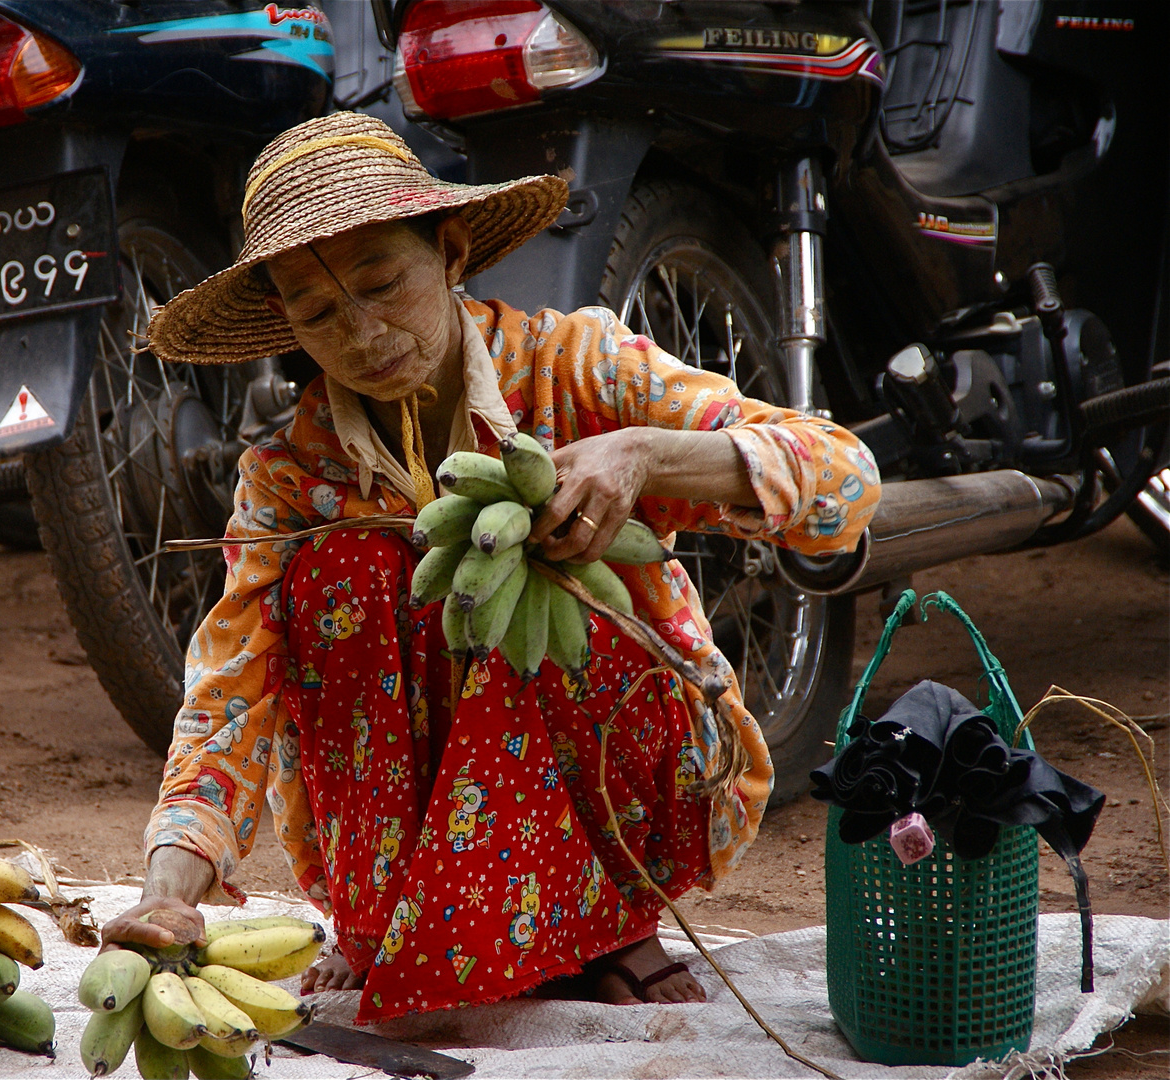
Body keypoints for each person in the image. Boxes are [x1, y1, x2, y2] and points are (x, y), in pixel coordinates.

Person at [100, 113, 879, 1022]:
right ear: (285, 325)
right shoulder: (288, 476)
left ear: (452, 249)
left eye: (383, 283)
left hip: (623, 796)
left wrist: (638, 457)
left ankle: (614, 918)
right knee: (345, 571)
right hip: (400, 842)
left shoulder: (572, 365)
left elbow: (841, 482)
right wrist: (169, 888)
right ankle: (392, 919)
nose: (363, 331)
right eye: (318, 315)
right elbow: (228, 695)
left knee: (520, 563)